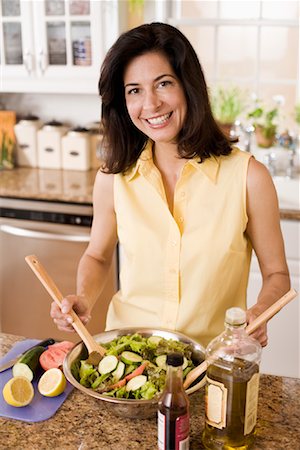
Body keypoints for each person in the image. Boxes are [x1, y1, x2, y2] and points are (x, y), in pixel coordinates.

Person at [51, 22, 290, 348]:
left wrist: (260, 310)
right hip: (127, 357)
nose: (150, 104)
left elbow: (277, 274)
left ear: (188, 86)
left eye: (163, 84)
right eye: (134, 90)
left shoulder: (248, 177)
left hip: (212, 362)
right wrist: (83, 297)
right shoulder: (113, 178)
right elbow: (98, 255)